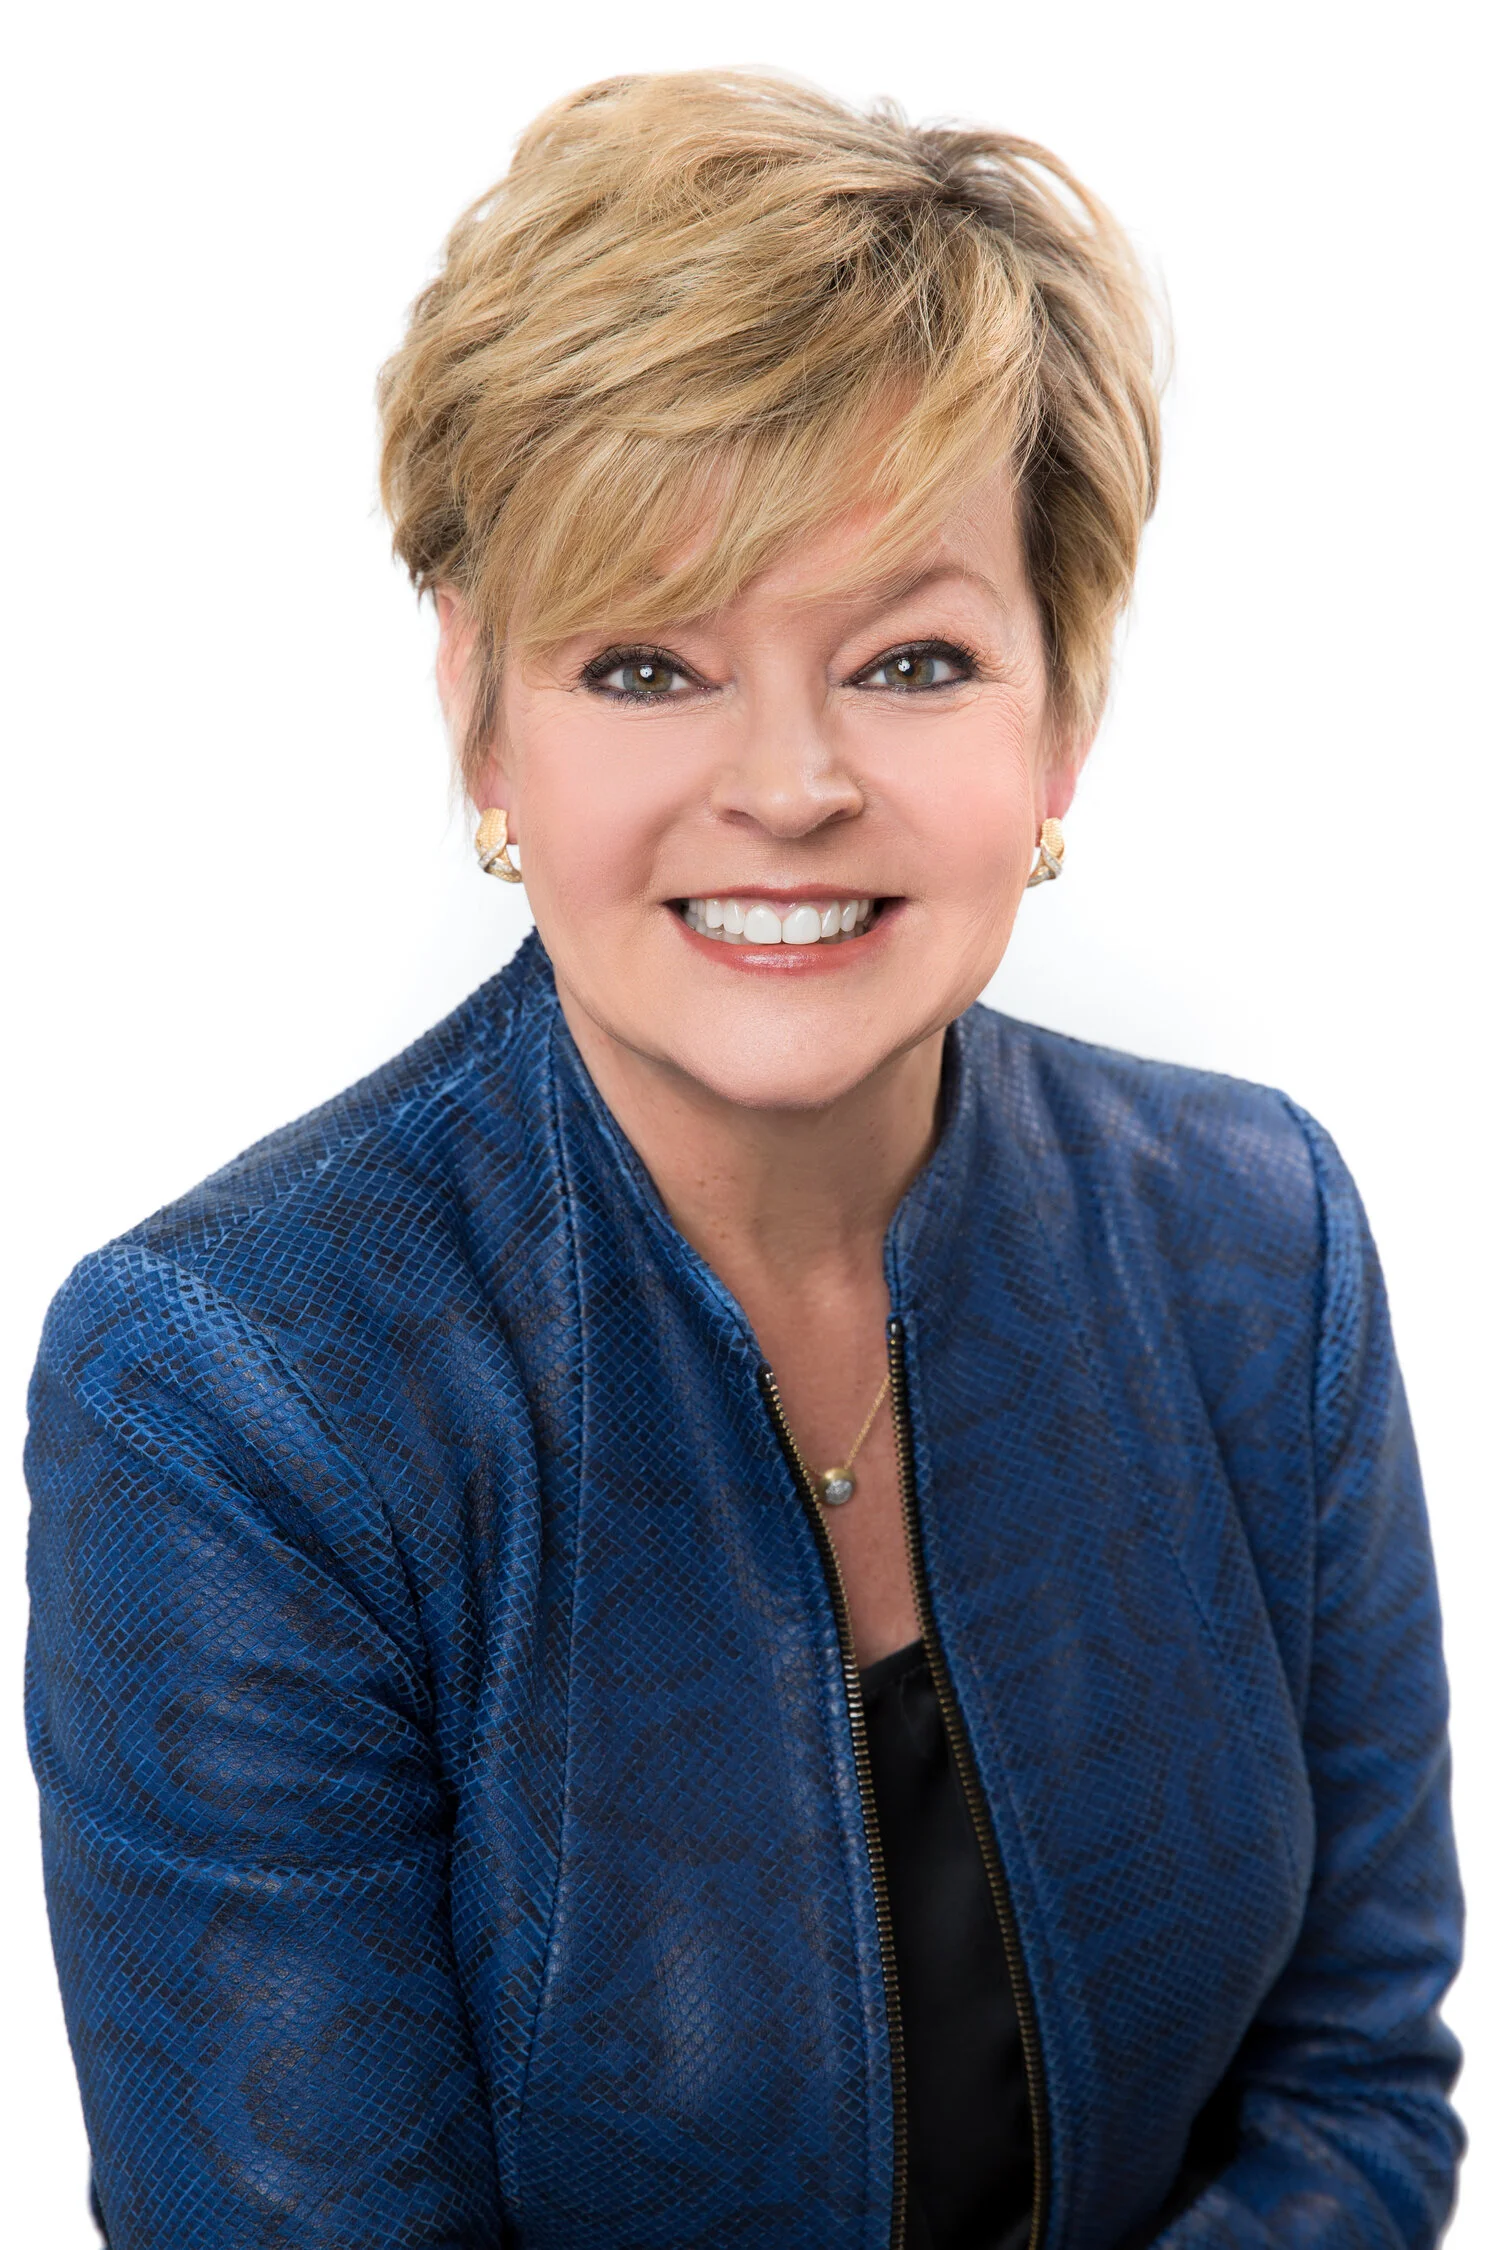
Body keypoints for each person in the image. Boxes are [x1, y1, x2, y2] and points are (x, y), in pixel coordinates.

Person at [25, 69, 1462, 2250]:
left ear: (1059, 711)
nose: (788, 783)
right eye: (646, 663)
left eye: (908, 657)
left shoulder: (1264, 1245)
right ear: (484, 716)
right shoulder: (233, 1392)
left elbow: (1360, 2087)